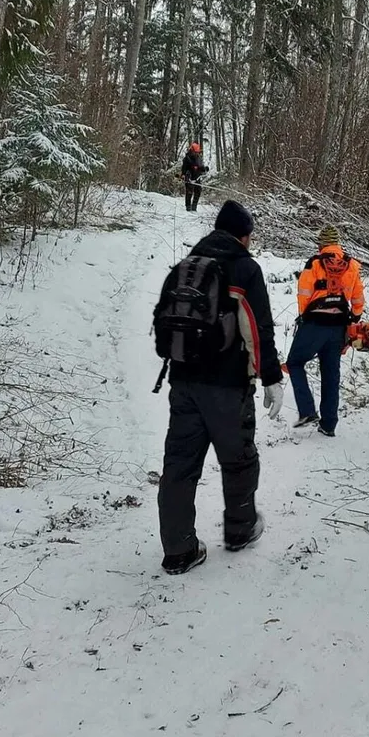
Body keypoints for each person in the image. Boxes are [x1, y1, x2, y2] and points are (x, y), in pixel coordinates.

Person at [155, 200, 284, 574]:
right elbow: (258, 331)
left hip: (182, 383)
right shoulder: (244, 268)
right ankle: (240, 530)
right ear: (243, 235)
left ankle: (178, 550)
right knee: (239, 459)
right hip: (227, 387)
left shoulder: (186, 266)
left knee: (179, 466)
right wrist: (272, 378)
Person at [287, 225, 366, 437]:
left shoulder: (314, 263)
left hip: (315, 323)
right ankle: (329, 425)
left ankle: (307, 411)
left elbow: (304, 293)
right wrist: (355, 318)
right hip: (339, 325)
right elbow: (358, 297)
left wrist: (304, 316)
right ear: (338, 244)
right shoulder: (351, 265)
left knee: (294, 362)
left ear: (320, 244)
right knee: (331, 374)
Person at [181, 143, 208, 212]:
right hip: (189, 177)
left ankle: (194, 207)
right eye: (195, 152)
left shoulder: (199, 158)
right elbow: (183, 169)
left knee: (198, 192)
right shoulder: (187, 158)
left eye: (197, 152)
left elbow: (201, 167)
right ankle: (188, 207)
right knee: (189, 192)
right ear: (191, 150)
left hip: (197, 177)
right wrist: (184, 175)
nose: (196, 153)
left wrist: (204, 169)